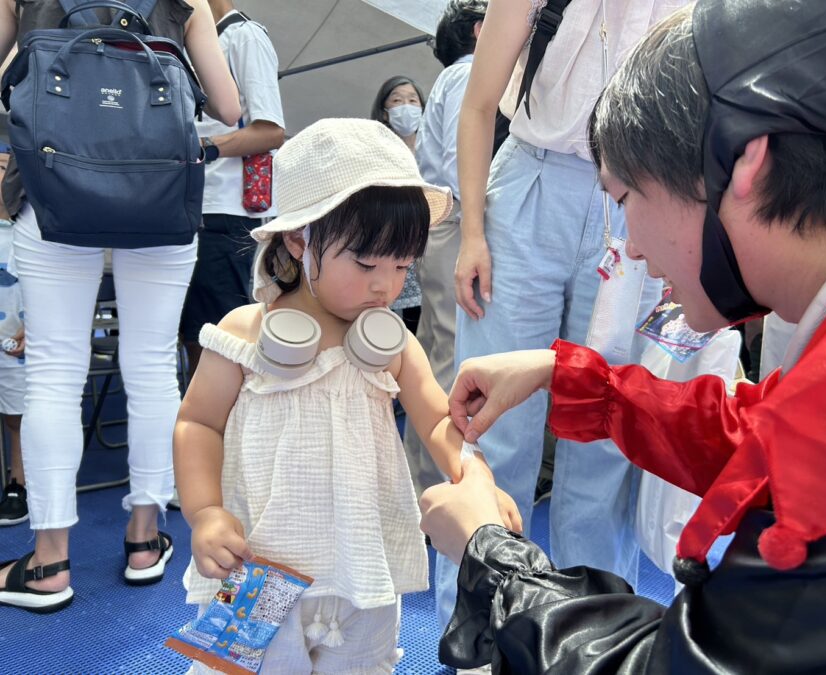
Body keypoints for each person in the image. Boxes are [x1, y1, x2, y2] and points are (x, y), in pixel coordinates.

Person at [420, 1, 826, 671]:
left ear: (744, 165)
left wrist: (492, 561)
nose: (632, 252)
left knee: (576, 478)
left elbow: (684, 664)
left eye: (624, 202)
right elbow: (761, 434)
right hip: (527, 192)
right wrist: (578, 381)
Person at [173, 119, 521, 673]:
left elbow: (438, 421)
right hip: (258, 565)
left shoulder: (393, 343)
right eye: (365, 263)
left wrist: (475, 477)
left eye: (402, 265)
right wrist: (206, 512)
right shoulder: (244, 334)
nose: (386, 285)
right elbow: (198, 424)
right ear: (298, 239)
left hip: (364, 568)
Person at [434, 0, 685, 632]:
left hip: (641, 197)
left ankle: (597, 638)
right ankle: (478, 640)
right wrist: (472, 232)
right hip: (532, 184)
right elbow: (478, 104)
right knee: (493, 424)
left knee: (609, 432)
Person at [0, 0, 240, 613]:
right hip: (159, 191)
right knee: (154, 367)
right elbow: (229, 107)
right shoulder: (185, 2)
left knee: (54, 372)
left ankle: (49, 561)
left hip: (50, 188)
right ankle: (143, 541)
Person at [403, 0, 486, 496]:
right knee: (453, 360)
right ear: (480, 30)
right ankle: (442, 485)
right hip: (456, 222)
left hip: (444, 223)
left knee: (437, 357)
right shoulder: (471, 76)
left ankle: (422, 484)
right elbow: (462, 165)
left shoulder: (452, 78)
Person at [180, 0, 286, 381]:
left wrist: (203, 148)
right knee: (196, 338)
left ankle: (222, 419)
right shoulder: (185, 40)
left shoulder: (244, 36)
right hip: (188, 211)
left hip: (226, 214)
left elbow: (271, 130)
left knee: (222, 345)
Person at [371, 75, 427, 335]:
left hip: (427, 242)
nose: (406, 106)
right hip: (391, 241)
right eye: (397, 100)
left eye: (413, 100)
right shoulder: (377, 149)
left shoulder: (432, 149)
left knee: (423, 314)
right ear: (384, 111)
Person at [0, 146, 27, 527]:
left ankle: (18, 482)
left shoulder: (29, 231)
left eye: (4, 164)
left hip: (17, 339)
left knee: (16, 415)